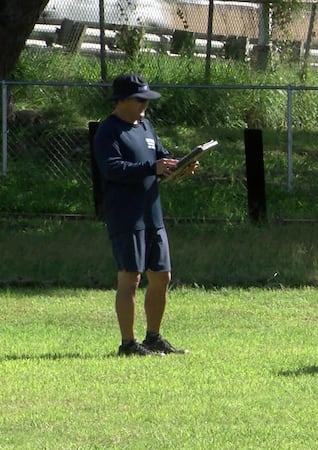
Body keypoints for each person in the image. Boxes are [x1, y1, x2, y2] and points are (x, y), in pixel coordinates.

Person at [93, 73, 196, 357]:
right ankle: (128, 344)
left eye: (147, 100)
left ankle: (154, 337)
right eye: (140, 99)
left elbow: (162, 159)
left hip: (153, 214)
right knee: (131, 278)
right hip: (126, 215)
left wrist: (180, 167)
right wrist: (152, 168)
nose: (145, 105)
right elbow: (112, 168)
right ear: (121, 100)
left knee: (162, 276)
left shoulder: (146, 126)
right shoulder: (108, 131)